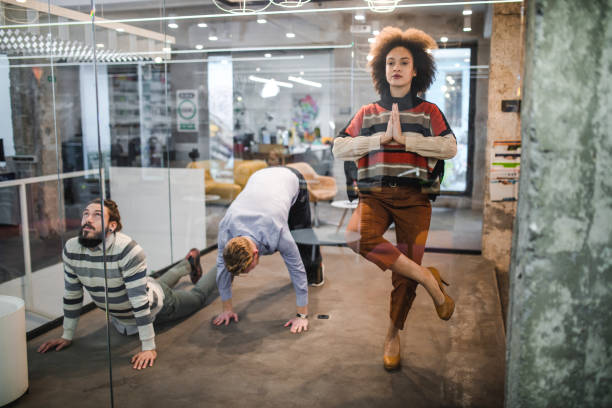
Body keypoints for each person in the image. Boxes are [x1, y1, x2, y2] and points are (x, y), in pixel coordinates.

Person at [332, 27, 457, 371]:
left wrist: (406, 140)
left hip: (415, 200)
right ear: (382, 70)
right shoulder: (368, 112)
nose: (397, 68)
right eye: (390, 62)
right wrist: (378, 140)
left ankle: (392, 334)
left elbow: (450, 147)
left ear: (416, 70)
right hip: (374, 196)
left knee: (402, 278)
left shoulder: (429, 111)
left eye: (404, 62)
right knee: (357, 236)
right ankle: (428, 278)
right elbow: (339, 147)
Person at [37, 198, 218, 370]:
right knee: (152, 282)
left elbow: (139, 301)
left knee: (197, 297)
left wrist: (148, 346)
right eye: (86, 214)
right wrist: (66, 335)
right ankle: (188, 264)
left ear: (112, 226)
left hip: (158, 306)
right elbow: (72, 295)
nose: (88, 219)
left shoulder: (127, 250)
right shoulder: (71, 248)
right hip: (137, 294)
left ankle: (221, 265)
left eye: (97, 215)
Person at [212, 166, 323, 334]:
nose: (248, 274)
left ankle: (317, 268)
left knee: (301, 235)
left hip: (291, 179)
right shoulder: (227, 229)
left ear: (255, 254)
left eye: (249, 269)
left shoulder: (276, 230)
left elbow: (296, 268)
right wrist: (227, 308)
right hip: (261, 177)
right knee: (293, 234)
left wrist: (302, 315)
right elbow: (222, 268)